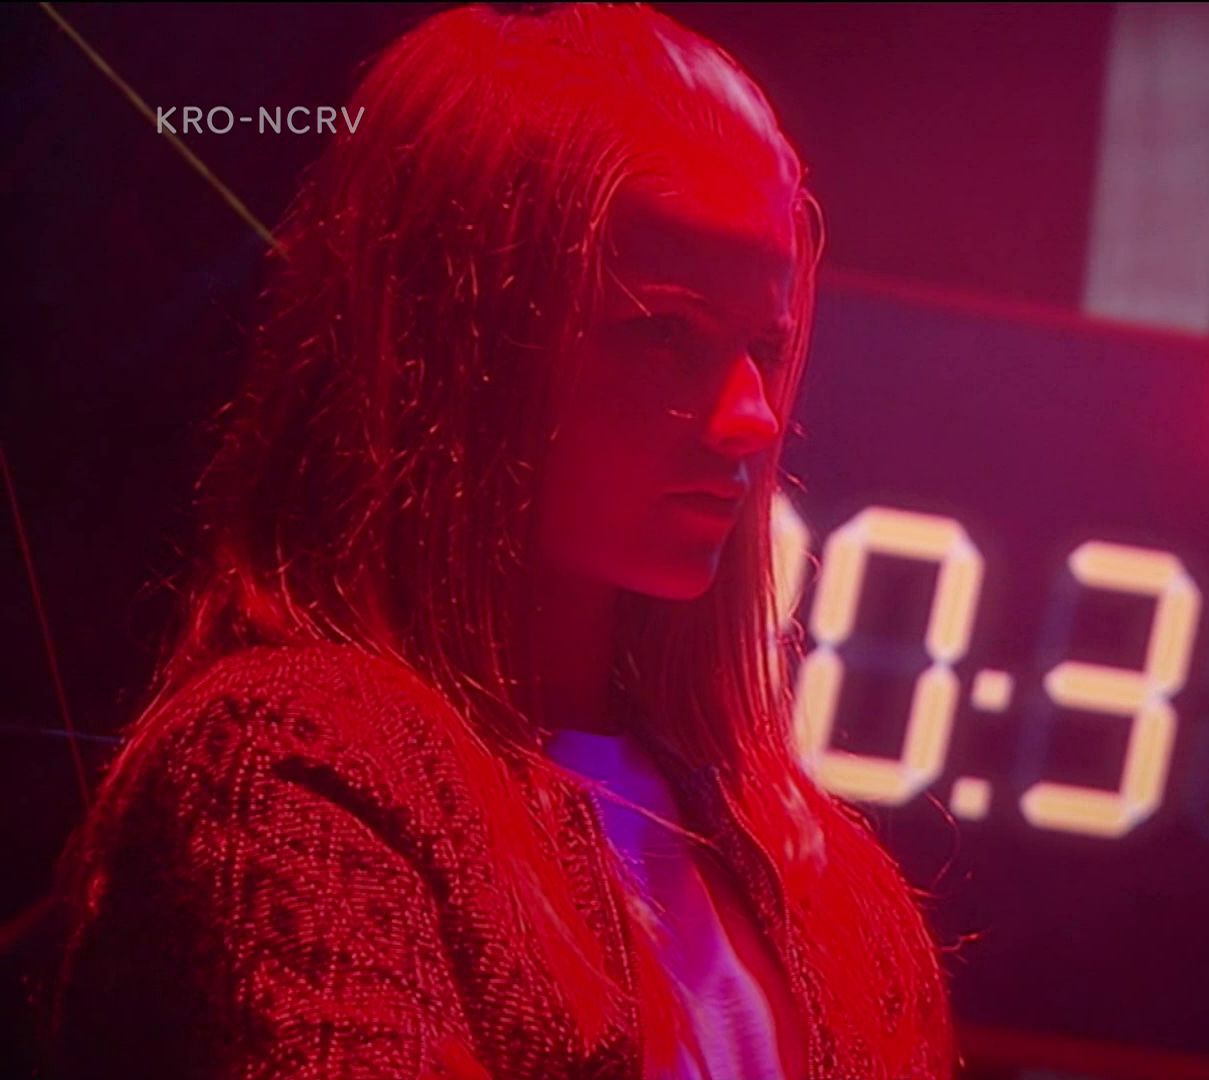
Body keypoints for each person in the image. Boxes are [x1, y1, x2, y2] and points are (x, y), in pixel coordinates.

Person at [37, 5, 955, 1078]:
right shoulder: (295, 769)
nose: (755, 416)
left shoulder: (829, 885)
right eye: (664, 333)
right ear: (462, 349)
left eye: (766, 345)